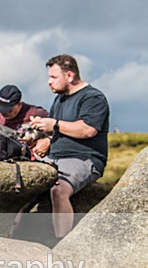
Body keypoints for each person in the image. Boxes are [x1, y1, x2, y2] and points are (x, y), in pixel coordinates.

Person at [29, 54, 110, 238]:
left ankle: (62, 245)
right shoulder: (60, 99)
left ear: (70, 75)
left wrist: (54, 124)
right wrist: (43, 132)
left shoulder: (93, 98)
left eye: (53, 77)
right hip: (54, 156)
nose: (49, 82)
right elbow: (58, 130)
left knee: (58, 190)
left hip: (83, 158)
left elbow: (87, 130)